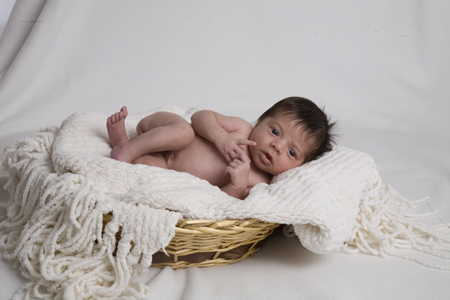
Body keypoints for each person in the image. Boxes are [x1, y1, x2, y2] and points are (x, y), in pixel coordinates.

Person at [106, 97, 336, 199]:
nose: (277, 146)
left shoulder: (258, 183)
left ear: (300, 166)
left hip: (165, 164)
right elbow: (200, 117)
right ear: (260, 121)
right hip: (166, 132)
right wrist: (221, 137)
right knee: (184, 133)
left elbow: (222, 203)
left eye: (291, 152)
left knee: (152, 176)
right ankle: (128, 147)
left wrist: (236, 185)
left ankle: (124, 146)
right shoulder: (242, 129)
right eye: (275, 132)